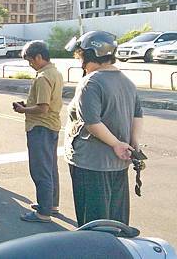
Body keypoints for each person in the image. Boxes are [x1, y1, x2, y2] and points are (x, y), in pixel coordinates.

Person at [64, 30, 143, 226]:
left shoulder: (90, 82)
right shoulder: (127, 82)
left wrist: (116, 144)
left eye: (81, 55)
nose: (80, 61)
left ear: (91, 55)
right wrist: (133, 145)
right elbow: (137, 116)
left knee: (94, 224)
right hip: (119, 163)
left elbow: (91, 122)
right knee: (116, 222)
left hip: (91, 164)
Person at [13, 41, 63, 223]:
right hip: (52, 125)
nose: (30, 64)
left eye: (30, 60)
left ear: (40, 57)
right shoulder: (55, 73)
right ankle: (51, 204)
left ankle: (43, 212)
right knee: (51, 168)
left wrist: (23, 110)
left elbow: (42, 107)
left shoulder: (42, 77)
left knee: (40, 170)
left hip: (40, 127)